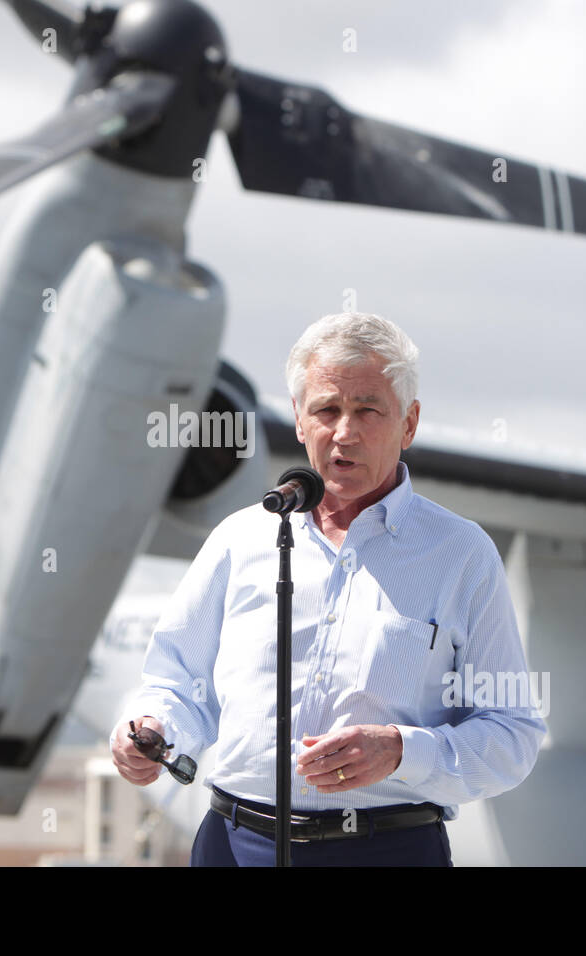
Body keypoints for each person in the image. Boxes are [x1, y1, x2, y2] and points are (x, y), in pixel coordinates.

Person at [109, 312, 546, 865]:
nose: (344, 432)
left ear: (409, 423)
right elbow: (175, 684)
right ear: (297, 419)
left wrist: (401, 750)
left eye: (368, 410)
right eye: (327, 410)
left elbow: (512, 736)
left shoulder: (462, 555)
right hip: (237, 845)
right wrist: (153, 732)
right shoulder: (241, 540)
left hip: (389, 848)